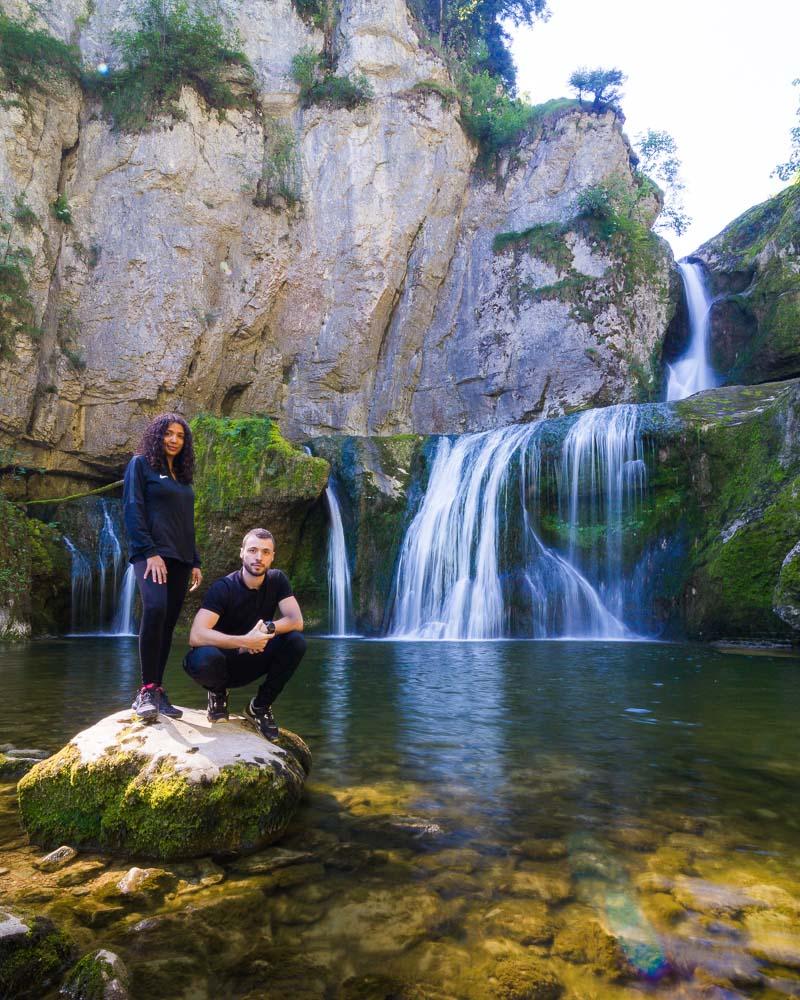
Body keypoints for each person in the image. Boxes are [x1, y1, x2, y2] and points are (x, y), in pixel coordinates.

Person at [183, 528, 306, 741]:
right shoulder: (224, 588)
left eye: (266, 552)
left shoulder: (277, 580)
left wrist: (266, 630)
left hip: (251, 659)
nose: (259, 557)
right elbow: (196, 635)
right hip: (220, 663)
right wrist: (245, 641)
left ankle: (259, 707)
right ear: (242, 553)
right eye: (253, 550)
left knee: (296, 642)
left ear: (273, 556)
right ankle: (218, 693)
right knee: (204, 658)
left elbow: (296, 621)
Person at [123, 412, 202, 722]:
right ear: (157, 435)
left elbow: (186, 521)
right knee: (154, 610)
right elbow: (133, 509)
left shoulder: (182, 476)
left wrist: (194, 560)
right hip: (150, 555)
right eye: (168, 433)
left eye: (180, 436)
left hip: (181, 558)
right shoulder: (140, 465)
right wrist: (149, 552)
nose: (174, 440)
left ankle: (158, 691)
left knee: (168, 623)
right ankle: (144, 690)